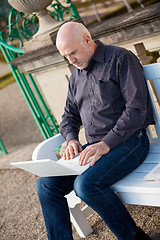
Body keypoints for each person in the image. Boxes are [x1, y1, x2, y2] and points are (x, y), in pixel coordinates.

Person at [36, 22, 154, 240]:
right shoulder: (76, 76)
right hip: (94, 148)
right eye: (65, 56)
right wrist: (71, 140)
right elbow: (69, 117)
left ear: (87, 40)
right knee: (45, 185)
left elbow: (136, 110)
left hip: (130, 141)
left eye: (72, 53)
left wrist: (105, 143)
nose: (70, 60)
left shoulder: (121, 59)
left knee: (85, 185)